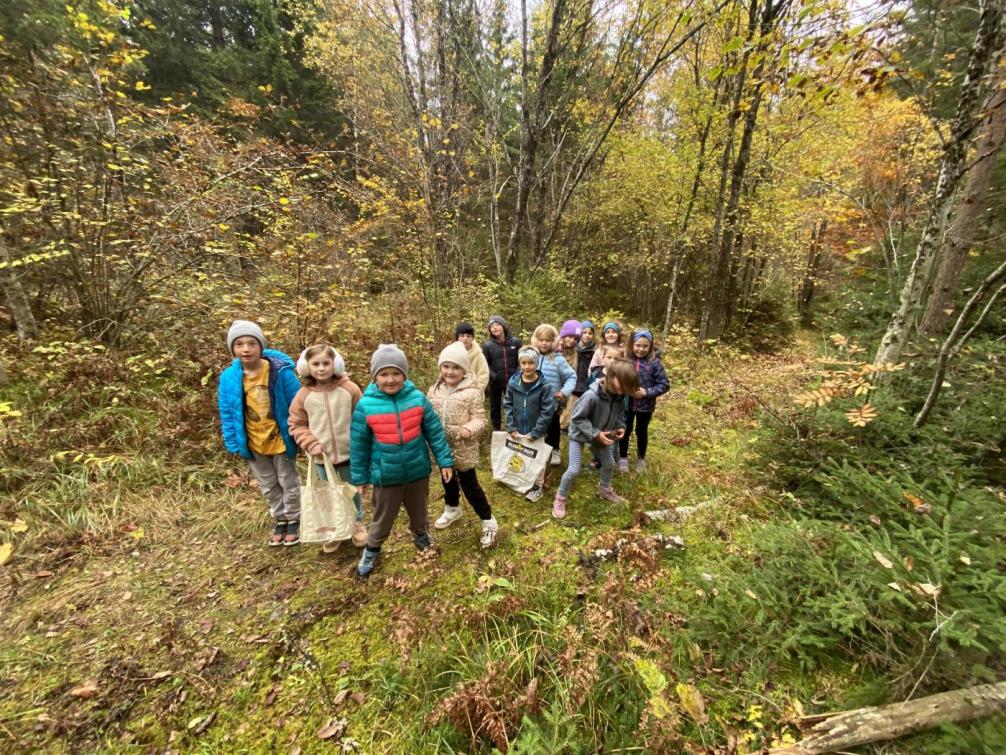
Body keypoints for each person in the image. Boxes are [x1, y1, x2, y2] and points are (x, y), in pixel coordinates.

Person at [350, 344, 455, 577]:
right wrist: (360, 477)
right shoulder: (366, 405)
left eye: (396, 373)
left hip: (418, 471)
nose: (390, 379)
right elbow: (358, 445)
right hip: (387, 476)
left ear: (404, 375)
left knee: (419, 511)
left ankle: (421, 536)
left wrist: (445, 461)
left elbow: (434, 432)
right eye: (384, 374)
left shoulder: (417, 399)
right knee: (383, 517)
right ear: (375, 376)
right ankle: (372, 549)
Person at [217, 320, 302, 546]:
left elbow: (298, 402)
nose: (246, 349)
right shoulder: (228, 378)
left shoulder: (280, 371)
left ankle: (295, 517)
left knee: (287, 480)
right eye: (240, 344)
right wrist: (233, 441)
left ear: (261, 346)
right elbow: (227, 411)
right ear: (232, 349)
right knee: (267, 483)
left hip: (281, 439)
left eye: (252, 343)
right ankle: (280, 518)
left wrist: (300, 432)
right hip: (252, 441)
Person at [288, 344, 367, 553]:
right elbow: (296, 424)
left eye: (326, 363)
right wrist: (310, 443)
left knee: (352, 491)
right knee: (327, 493)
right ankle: (334, 528)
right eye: (315, 364)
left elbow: (362, 417)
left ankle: (356, 522)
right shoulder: (303, 395)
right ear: (307, 367)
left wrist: (360, 443)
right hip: (322, 457)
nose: (321, 368)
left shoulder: (349, 389)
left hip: (350, 454)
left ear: (335, 364)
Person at [427, 342, 499, 548]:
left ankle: (488, 520)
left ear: (464, 369)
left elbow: (480, 418)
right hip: (441, 448)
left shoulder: (472, 392)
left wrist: (468, 429)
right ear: (440, 367)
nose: (450, 372)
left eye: (456, 367)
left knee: (470, 485)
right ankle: (452, 508)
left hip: (463, 448)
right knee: (447, 480)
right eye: (446, 366)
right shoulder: (434, 390)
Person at [552, 359, 640, 518]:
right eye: (623, 386)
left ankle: (604, 489)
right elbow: (577, 419)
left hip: (600, 435)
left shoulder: (619, 397)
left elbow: (619, 415)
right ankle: (560, 497)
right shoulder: (591, 396)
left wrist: (621, 427)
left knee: (609, 463)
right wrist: (595, 433)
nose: (624, 391)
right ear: (611, 377)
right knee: (573, 469)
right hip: (580, 434)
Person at [503, 346, 557, 502]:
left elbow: (547, 411)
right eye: (523, 363)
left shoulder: (545, 386)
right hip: (518, 429)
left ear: (537, 363)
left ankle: (538, 486)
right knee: (520, 455)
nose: (527, 367)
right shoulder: (513, 383)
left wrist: (537, 431)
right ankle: (522, 479)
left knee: (537, 457)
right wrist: (511, 426)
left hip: (536, 431)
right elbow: (507, 404)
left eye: (531, 363)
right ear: (520, 363)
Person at [618, 329, 670, 473]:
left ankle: (641, 459)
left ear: (650, 346)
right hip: (626, 405)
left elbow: (664, 384)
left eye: (645, 346)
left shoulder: (655, 363)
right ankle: (622, 458)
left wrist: (646, 392)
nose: (641, 349)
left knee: (641, 431)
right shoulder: (626, 359)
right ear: (632, 345)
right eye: (638, 345)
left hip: (645, 406)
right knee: (625, 430)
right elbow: (618, 377)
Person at [531, 324, 576, 467]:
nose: (544, 343)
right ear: (535, 340)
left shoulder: (558, 359)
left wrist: (564, 392)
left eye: (548, 340)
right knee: (537, 426)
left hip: (551, 402)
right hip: (533, 401)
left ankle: (554, 450)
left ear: (554, 342)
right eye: (541, 340)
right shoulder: (532, 356)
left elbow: (571, 377)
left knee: (553, 427)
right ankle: (539, 450)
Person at [483, 315, 521, 431]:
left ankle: (515, 428)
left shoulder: (516, 342)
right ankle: (496, 429)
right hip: (495, 381)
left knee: (514, 405)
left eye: (497, 325)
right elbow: (485, 364)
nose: (495, 328)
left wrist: (518, 373)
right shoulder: (487, 345)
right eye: (492, 326)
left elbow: (522, 360)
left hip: (513, 380)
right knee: (495, 406)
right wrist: (492, 375)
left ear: (503, 326)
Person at [453, 322, 490, 392]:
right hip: (454, 394)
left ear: (472, 338)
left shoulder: (478, 355)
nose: (465, 338)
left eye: (468, 336)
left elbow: (484, 375)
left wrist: (475, 391)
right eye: (462, 336)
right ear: (457, 337)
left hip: (474, 395)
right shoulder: (451, 354)